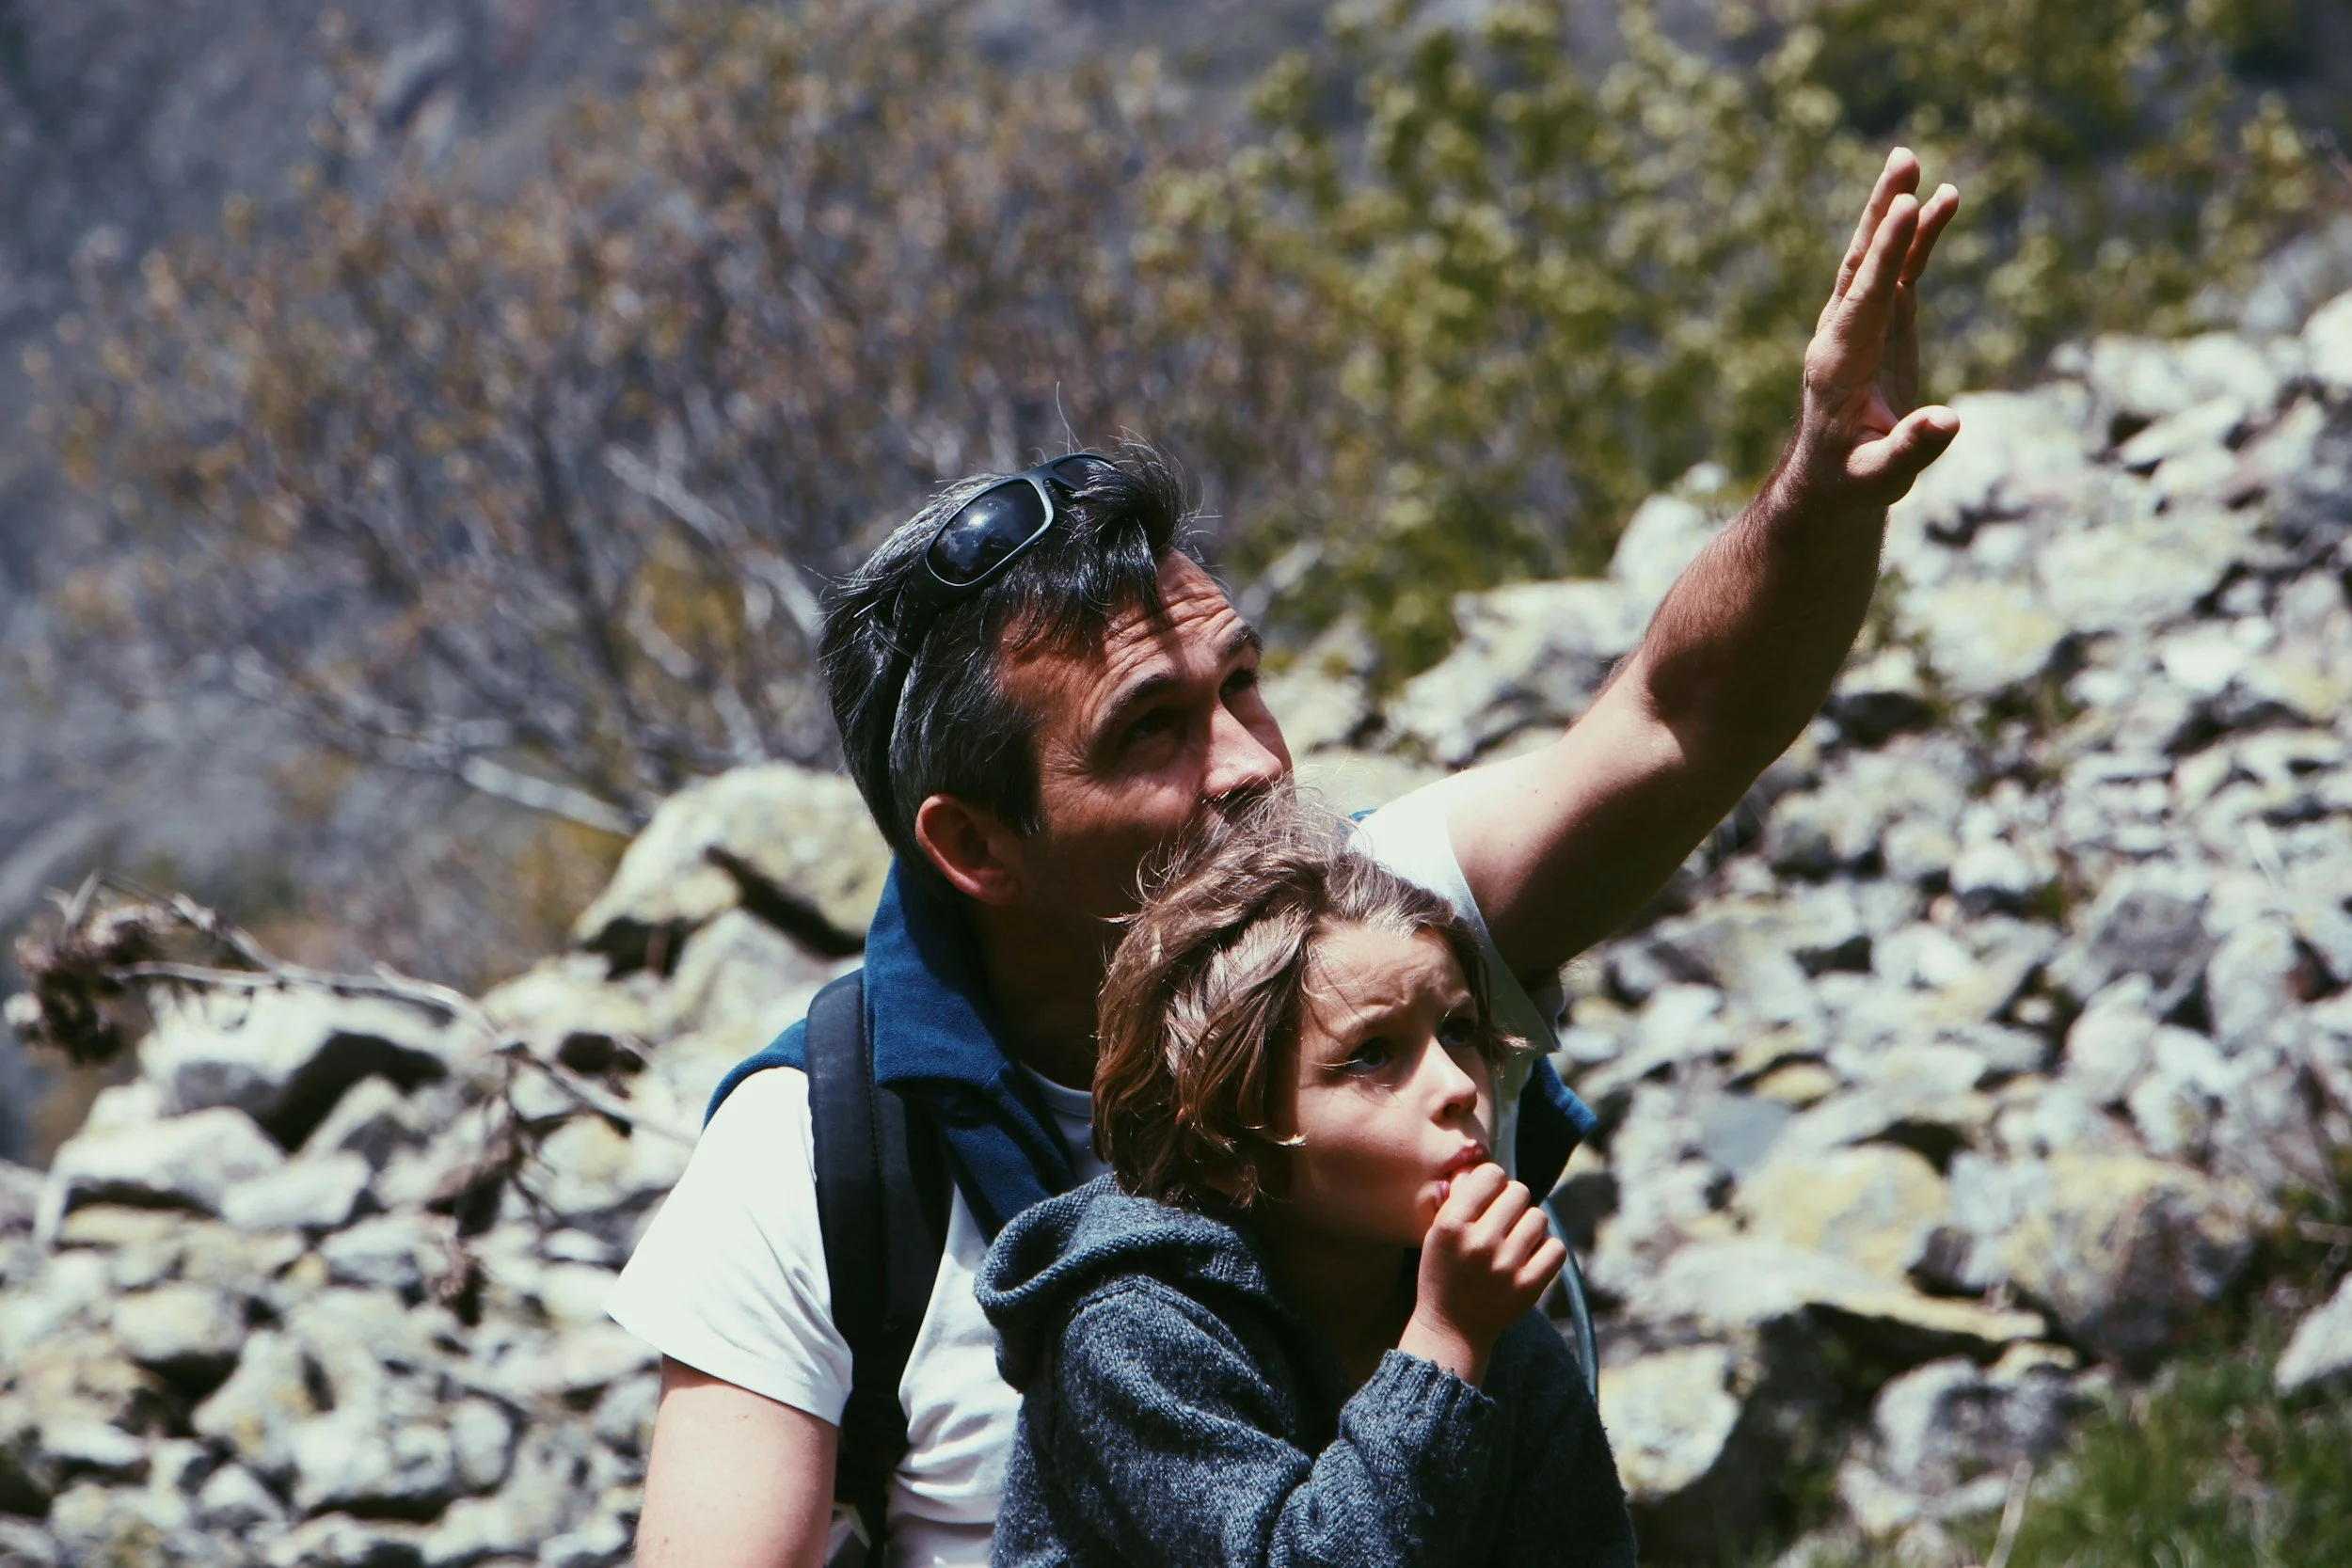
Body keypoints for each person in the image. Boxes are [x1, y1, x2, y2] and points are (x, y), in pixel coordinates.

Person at [612, 148, 1962, 1567]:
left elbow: (1681, 717)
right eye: (1151, 729)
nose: (1255, 762)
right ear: (974, 844)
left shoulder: (1385, 930)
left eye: (1241, 681)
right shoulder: (816, 1159)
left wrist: (1821, 487)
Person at [977, 800, 1638, 1568]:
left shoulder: (1489, 1320)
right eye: (1373, 1055)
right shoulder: (1133, 1331)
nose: (1457, 1084)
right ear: (1228, 1142)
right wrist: (1444, 1345)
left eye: (1458, 1030)